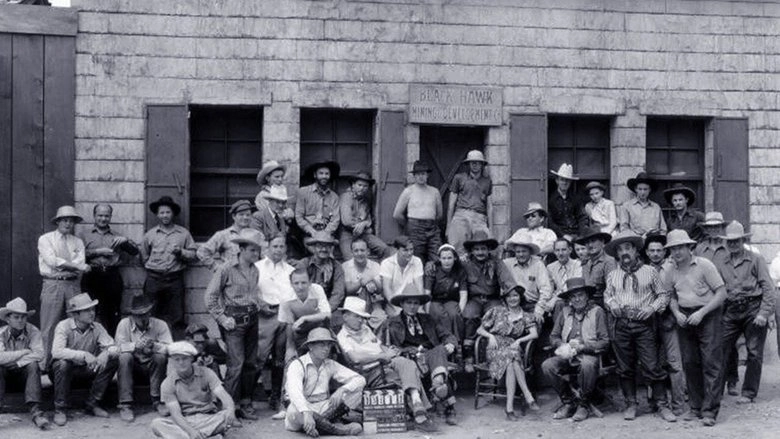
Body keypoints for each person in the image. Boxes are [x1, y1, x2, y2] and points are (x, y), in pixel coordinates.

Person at [602, 230, 675, 422]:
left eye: (628, 248)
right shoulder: (613, 275)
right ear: (617, 254)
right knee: (625, 367)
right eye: (620, 250)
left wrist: (652, 308)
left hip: (644, 325)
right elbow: (607, 295)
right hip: (621, 325)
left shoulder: (649, 271)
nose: (624, 253)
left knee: (652, 365)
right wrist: (612, 304)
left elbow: (663, 295)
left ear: (635, 251)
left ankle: (662, 404)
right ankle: (631, 404)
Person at [336, 297, 438, 433]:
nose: (360, 320)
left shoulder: (365, 329)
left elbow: (379, 346)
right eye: (357, 316)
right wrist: (381, 356)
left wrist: (390, 351)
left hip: (384, 363)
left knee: (408, 363)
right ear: (345, 316)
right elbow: (355, 359)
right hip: (369, 371)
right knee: (407, 375)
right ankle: (419, 412)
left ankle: (416, 404)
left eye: (362, 317)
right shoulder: (342, 336)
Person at [663, 230, 727, 427]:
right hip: (685, 316)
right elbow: (671, 296)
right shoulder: (670, 270)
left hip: (708, 315)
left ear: (689, 247)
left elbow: (721, 293)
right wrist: (677, 313)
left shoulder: (704, 265)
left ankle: (710, 411)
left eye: (680, 247)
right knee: (690, 363)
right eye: (673, 248)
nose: (677, 252)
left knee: (711, 362)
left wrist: (702, 312)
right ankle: (695, 407)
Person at [204, 228, 265, 421]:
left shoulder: (255, 270)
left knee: (250, 364)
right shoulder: (226, 269)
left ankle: (245, 403)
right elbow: (210, 297)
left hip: (252, 320)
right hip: (234, 322)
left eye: (258, 251)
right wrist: (222, 318)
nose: (256, 254)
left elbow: (252, 296)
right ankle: (229, 408)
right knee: (235, 365)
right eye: (252, 250)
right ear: (242, 249)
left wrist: (260, 305)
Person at [714, 221, 775, 404]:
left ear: (743, 241)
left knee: (754, 352)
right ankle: (716, 392)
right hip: (731, 310)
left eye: (737, 241)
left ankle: (748, 392)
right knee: (721, 349)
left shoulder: (756, 259)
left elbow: (768, 287)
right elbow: (717, 288)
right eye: (730, 241)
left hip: (753, 308)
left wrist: (764, 313)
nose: (733, 244)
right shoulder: (721, 262)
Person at [382, 285, 459, 425]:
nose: (412, 306)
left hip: (430, 354)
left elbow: (447, 335)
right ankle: (449, 406)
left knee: (439, 350)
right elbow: (384, 345)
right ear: (401, 304)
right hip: (408, 356)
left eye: (416, 303)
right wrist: (399, 351)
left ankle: (438, 383)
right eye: (409, 303)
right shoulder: (391, 323)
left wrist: (451, 344)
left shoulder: (428, 319)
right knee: (434, 361)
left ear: (419, 305)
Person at [542, 277, 609, 423]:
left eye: (580, 295)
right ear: (569, 299)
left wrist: (583, 347)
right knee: (548, 366)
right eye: (573, 296)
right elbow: (553, 336)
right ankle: (569, 401)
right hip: (568, 356)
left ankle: (583, 405)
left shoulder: (597, 312)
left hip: (589, 356)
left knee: (587, 364)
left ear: (587, 296)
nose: (577, 299)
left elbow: (604, 341)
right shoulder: (565, 312)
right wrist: (562, 345)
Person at [51, 293, 119, 426]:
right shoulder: (63, 326)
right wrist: (84, 355)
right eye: (87, 310)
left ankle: (92, 403)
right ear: (76, 315)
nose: (92, 313)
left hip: (86, 370)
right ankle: (60, 409)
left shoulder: (97, 327)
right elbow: (56, 351)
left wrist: (106, 352)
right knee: (62, 364)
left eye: (92, 309)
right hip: (64, 372)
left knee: (113, 359)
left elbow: (114, 346)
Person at [284, 328, 365, 437]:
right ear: (310, 346)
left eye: (328, 345)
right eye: (322, 345)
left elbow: (360, 379)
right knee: (294, 409)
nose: (326, 349)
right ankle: (337, 430)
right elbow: (294, 392)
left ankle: (318, 426)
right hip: (302, 410)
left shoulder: (330, 364)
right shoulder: (297, 364)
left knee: (356, 392)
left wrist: (342, 389)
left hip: (324, 408)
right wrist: (306, 412)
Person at [38, 205, 91, 368]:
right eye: (65, 220)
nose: (68, 224)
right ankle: (45, 364)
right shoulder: (46, 239)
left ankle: (73, 362)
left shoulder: (77, 242)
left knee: (76, 322)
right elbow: (52, 261)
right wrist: (75, 266)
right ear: (58, 221)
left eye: (71, 221)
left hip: (72, 285)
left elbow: (80, 262)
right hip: (53, 283)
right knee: (49, 325)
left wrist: (71, 266)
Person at [476, 285, 540, 420]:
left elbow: (534, 334)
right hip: (495, 348)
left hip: (512, 347)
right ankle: (527, 395)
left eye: (515, 295)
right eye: (509, 296)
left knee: (511, 361)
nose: (512, 299)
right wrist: (490, 336)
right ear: (505, 299)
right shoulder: (497, 311)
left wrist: (519, 340)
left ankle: (509, 409)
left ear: (520, 297)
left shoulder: (526, 316)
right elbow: (479, 330)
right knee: (512, 357)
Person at [151, 341, 237, 439]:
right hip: (185, 420)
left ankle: (186, 436)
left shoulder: (206, 373)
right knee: (156, 424)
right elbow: (176, 414)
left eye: (184, 358)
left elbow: (223, 395)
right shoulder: (167, 384)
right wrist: (191, 431)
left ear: (191, 358)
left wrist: (230, 409)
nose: (181, 363)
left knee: (226, 416)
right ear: (171, 361)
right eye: (177, 359)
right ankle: (209, 435)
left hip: (208, 417)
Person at [142, 196, 197, 339]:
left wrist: (181, 252)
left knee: (177, 315)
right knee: (150, 313)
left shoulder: (183, 234)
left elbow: (193, 255)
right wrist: (155, 268)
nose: (165, 215)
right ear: (157, 214)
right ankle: (152, 344)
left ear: (173, 214)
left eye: (168, 212)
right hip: (154, 279)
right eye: (162, 212)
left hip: (174, 279)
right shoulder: (150, 235)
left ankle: (177, 345)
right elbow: (144, 257)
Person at [644, 233, 686, 415]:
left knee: (674, 362)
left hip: (669, 320)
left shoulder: (672, 268)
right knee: (650, 362)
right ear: (647, 252)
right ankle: (655, 401)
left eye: (659, 250)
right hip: (648, 323)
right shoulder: (643, 270)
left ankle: (678, 403)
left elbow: (677, 293)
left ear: (665, 252)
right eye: (652, 250)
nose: (655, 254)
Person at [461, 230, 516, 370]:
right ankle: (468, 356)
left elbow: (507, 281)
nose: (480, 252)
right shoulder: (465, 263)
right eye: (476, 249)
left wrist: (514, 296)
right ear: (472, 251)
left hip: (492, 299)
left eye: (483, 249)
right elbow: (448, 263)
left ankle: (496, 355)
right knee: (469, 315)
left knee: (498, 316)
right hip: (474, 300)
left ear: (488, 249)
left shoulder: (497, 262)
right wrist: (433, 264)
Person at [80, 203, 139, 334]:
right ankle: (91, 341)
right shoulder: (84, 235)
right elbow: (76, 255)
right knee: (90, 311)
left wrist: (125, 240)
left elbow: (134, 252)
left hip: (112, 276)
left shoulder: (117, 236)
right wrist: (97, 252)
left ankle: (113, 342)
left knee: (113, 312)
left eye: (106, 216)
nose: (103, 218)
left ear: (110, 217)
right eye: (100, 215)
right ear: (94, 216)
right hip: (92, 275)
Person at [255, 234, 296, 415]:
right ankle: (246, 398)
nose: (278, 250)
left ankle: (276, 397)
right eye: (275, 246)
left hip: (283, 314)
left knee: (280, 357)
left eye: (281, 246)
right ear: (268, 248)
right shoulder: (257, 267)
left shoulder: (290, 270)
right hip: (263, 314)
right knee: (259, 356)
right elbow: (251, 290)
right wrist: (260, 304)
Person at [115, 294, 173, 422]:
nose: (141, 318)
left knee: (160, 357)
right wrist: (134, 346)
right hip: (132, 368)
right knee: (124, 357)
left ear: (150, 313)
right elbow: (117, 348)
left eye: (144, 314)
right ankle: (125, 405)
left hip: (152, 367)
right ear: (132, 315)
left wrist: (154, 346)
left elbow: (170, 349)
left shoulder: (160, 324)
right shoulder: (124, 324)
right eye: (137, 315)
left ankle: (158, 401)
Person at [0, 298, 48, 429]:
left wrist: (18, 363)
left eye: (23, 317)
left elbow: (39, 354)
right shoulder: (1, 333)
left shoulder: (33, 331)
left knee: (33, 365)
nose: (20, 320)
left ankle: (36, 413)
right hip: (4, 377)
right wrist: (24, 352)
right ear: (8, 319)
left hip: (25, 378)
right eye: (16, 317)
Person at [392, 160, 443, 264]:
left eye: (423, 174)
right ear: (414, 176)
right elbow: (397, 214)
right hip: (414, 228)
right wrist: (409, 224)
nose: (421, 177)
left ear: (427, 175)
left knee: (436, 256)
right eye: (418, 174)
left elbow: (439, 215)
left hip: (432, 228)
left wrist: (430, 223)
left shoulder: (434, 191)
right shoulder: (408, 191)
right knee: (416, 258)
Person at [447, 150, 492, 255]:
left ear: (482, 164)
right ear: (468, 164)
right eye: (472, 162)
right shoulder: (459, 178)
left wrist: (491, 229)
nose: (475, 165)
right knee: (458, 250)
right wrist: (448, 226)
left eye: (478, 162)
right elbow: (451, 204)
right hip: (461, 215)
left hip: (479, 217)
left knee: (481, 247)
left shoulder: (487, 181)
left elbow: (489, 206)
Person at [280, 268, 332, 360]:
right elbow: (289, 324)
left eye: (304, 283)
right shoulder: (286, 297)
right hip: (298, 332)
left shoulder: (317, 289)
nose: (300, 287)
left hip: (319, 329)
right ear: (291, 284)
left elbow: (327, 314)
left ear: (310, 282)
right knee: (287, 354)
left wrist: (304, 318)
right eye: (296, 283)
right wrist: (290, 348)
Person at [339, 171, 391, 260]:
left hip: (363, 233)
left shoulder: (365, 201)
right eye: (359, 185)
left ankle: (380, 268)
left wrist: (364, 224)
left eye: (365, 186)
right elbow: (347, 221)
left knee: (385, 249)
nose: (362, 188)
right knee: (349, 258)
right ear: (353, 185)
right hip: (347, 233)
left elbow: (368, 219)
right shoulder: (346, 197)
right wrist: (363, 225)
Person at [503, 232, 554, 322]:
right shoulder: (507, 263)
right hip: (511, 303)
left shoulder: (538, 265)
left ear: (530, 251)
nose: (521, 254)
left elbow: (546, 289)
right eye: (518, 252)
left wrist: (539, 310)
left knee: (532, 325)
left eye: (524, 251)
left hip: (531, 304)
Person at [424, 244, 467, 348]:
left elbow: (463, 294)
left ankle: (457, 345)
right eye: (443, 258)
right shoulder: (433, 270)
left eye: (449, 258)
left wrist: (460, 311)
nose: (446, 261)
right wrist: (426, 313)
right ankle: (441, 344)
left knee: (454, 314)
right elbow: (427, 293)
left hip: (451, 300)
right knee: (438, 314)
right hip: (435, 300)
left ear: (455, 258)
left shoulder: (460, 270)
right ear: (439, 259)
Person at [198, 199, 258, 271]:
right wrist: (217, 269)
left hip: (251, 275)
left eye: (248, 215)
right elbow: (202, 252)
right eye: (241, 214)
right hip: (231, 276)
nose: (245, 217)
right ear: (234, 216)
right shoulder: (223, 235)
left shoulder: (255, 234)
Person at [297, 232, 346, 313]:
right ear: (314, 247)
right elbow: (299, 288)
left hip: (328, 307)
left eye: (327, 246)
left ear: (331, 248)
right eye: (320, 246)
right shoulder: (304, 264)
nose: (324, 249)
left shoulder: (336, 266)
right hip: (306, 306)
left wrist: (326, 310)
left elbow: (338, 293)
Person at [341, 238, 383, 330]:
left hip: (373, 301)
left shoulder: (375, 266)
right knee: (354, 321)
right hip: (353, 303)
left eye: (362, 250)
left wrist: (372, 279)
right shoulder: (345, 266)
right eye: (356, 251)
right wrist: (361, 282)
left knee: (381, 318)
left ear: (368, 252)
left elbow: (380, 289)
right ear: (352, 252)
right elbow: (347, 290)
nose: (359, 253)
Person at [295, 160, 341, 242]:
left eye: (327, 174)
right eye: (321, 173)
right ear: (315, 175)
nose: (324, 176)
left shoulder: (334, 197)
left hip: (327, 234)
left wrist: (325, 233)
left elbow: (335, 220)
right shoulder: (303, 192)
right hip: (308, 234)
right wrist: (311, 231)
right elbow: (299, 217)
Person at [380, 235, 424, 317]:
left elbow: (419, 287)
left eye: (411, 249)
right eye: (405, 250)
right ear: (396, 250)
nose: (409, 253)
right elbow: (387, 289)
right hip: (393, 303)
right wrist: (396, 308)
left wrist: (419, 307)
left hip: (412, 302)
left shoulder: (417, 261)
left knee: (422, 317)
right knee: (398, 318)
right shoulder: (386, 263)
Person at [576, 227, 616, 307]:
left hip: (602, 304)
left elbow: (612, 290)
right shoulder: (586, 263)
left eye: (593, 241)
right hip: (586, 302)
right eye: (587, 242)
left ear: (602, 242)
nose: (590, 245)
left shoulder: (609, 262)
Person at [619, 172, 667, 237]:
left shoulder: (656, 207)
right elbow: (624, 228)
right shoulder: (627, 206)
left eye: (645, 189)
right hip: (635, 240)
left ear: (649, 190)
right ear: (636, 189)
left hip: (653, 240)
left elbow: (663, 229)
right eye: (640, 189)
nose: (643, 192)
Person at [546, 238, 583, 317]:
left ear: (570, 250)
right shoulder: (550, 267)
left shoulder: (578, 265)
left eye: (563, 250)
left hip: (574, 296)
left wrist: (555, 299)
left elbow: (574, 286)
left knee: (559, 304)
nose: (560, 253)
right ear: (554, 251)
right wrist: (547, 301)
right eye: (557, 250)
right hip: (558, 298)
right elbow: (549, 288)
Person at [548, 163, 587, 237]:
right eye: (562, 180)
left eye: (567, 180)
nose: (565, 183)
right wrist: (563, 235)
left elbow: (582, 217)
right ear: (557, 181)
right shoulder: (551, 199)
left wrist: (581, 234)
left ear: (570, 182)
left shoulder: (575, 198)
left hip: (576, 233)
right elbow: (550, 222)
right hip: (559, 235)